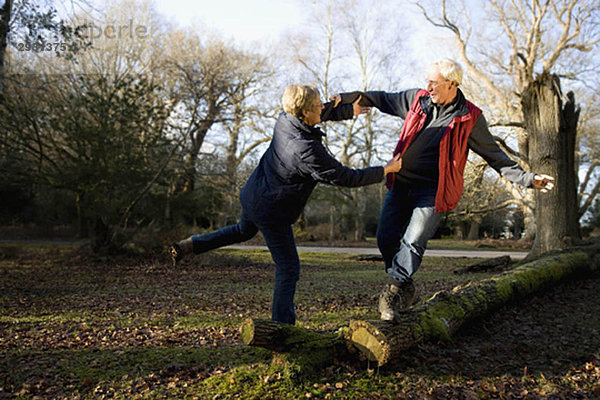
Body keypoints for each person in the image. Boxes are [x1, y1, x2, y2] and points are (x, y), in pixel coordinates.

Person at [332, 58, 555, 323]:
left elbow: (496, 157)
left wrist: (529, 179)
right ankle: (404, 285)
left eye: (434, 83)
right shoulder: (417, 99)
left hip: (433, 192)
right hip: (402, 183)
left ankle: (393, 290)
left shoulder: (471, 117)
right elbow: (380, 98)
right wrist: (348, 98)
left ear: (452, 83)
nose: (428, 87)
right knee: (384, 238)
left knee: (413, 240)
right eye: (427, 81)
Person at [170, 84, 403, 325]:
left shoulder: (285, 119)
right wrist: (385, 169)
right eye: (316, 106)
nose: (321, 108)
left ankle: (190, 245)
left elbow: (318, 114)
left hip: (254, 194)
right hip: (272, 210)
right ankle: (282, 330)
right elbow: (345, 176)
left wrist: (347, 110)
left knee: (242, 231)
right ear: (303, 112)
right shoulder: (306, 150)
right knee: (288, 268)